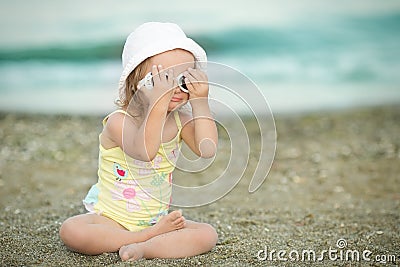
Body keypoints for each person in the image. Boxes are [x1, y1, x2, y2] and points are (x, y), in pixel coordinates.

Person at [59, 22, 218, 261]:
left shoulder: (180, 121)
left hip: (157, 217)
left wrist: (200, 101)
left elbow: (207, 149)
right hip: (110, 219)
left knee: (207, 234)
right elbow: (145, 151)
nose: (173, 87)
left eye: (183, 79)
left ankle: (145, 248)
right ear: (135, 83)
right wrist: (157, 104)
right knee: (71, 231)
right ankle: (149, 237)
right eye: (163, 78)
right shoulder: (118, 122)